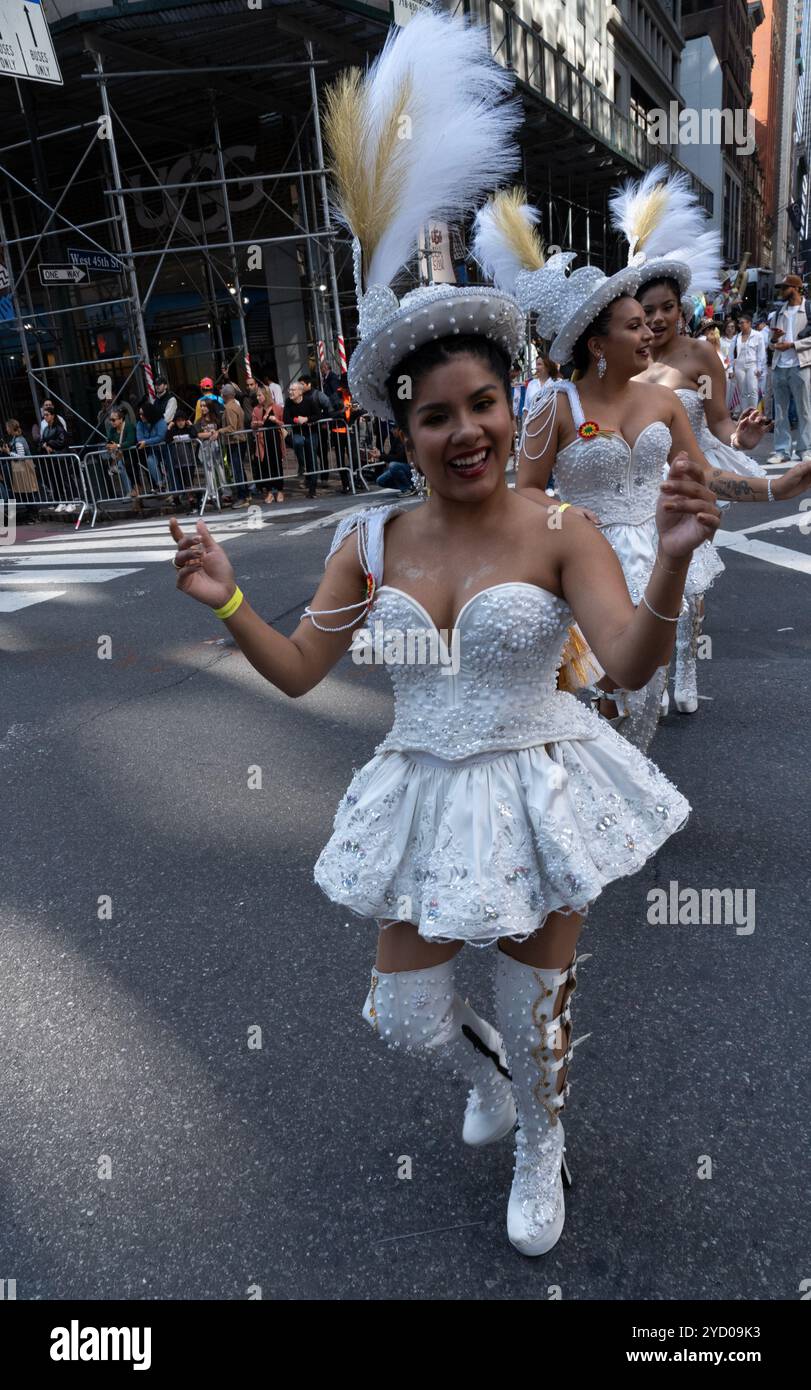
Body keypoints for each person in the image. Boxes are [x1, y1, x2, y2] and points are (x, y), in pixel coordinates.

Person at [168, 8, 723, 1259]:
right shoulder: (367, 541)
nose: (465, 431)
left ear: (502, 402)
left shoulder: (557, 527)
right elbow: (305, 671)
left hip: (537, 775)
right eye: (436, 416)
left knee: (541, 1009)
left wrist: (677, 562)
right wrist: (231, 604)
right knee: (410, 1017)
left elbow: (627, 664)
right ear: (401, 430)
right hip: (422, 785)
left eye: (483, 404)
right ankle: (486, 1086)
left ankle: (543, 1135)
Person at [475, 173, 811, 749]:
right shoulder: (555, 407)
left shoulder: (661, 401)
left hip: (657, 561)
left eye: (650, 321)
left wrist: (779, 489)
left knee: (641, 702)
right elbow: (524, 490)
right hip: (585, 565)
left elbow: (703, 477)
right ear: (597, 345)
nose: (649, 334)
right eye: (634, 326)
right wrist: (564, 516)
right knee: (594, 705)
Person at [766, 274, 811, 463]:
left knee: (804, 410)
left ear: (795, 288)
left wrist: (792, 345)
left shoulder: (808, 309)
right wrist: (775, 340)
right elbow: (770, 344)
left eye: (785, 288)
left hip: (800, 365)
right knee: (780, 411)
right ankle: (782, 451)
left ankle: (805, 449)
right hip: (779, 365)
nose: (781, 292)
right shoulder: (777, 313)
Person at [283, 380, 320, 497]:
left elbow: (318, 415)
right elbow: (286, 418)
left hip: (311, 432)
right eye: (290, 390)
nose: (290, 392)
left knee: (312, 459)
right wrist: (296, 420)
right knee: (297, 442)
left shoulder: (309, 401)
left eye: (293, 390)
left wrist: (306, 419)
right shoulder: (288, 402)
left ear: (300, 392)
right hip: (298, 432)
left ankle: (312, 488)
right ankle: (301, 463)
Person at [251, 386, 285, 503]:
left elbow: (283, 423)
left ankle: (280, 490)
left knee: (277, 464)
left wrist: (276, 420)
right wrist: (257, 424)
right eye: (257, 395)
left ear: (266, 395)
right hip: (262, 441)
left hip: (275, 439)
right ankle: (269, 492)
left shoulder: (277, 407)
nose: (258, 397)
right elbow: (252, 424)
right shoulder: (256, 409)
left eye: (260, 395)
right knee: (265, 465)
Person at [730, 312, 766, 413]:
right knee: (743, 391)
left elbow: (761, 353)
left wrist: (759, 368)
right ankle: (745, 413)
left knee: (753, 389)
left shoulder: (758, 335)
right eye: (739, 323)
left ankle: (754, 413)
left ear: (749, 323)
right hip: (739, 365)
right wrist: (731, 368)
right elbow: (731, 355)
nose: (740, 325)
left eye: (742, 323)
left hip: (752, 364)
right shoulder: (736, 337)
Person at [166, 407, 199, 511]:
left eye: (182, 420)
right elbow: (167, 440)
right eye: (178, 421)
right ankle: (187, 500)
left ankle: (193, 502)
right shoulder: (174, 431)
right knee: (183, 483)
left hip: (189, 461)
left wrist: (191, 425)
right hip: (178, 462)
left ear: (185, 420)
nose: (180, 423)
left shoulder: (188, 429)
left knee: (189, 482)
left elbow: (194, 435)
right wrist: (169, 428)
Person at [135, 401, 169, 492]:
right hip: (154, 451)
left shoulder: (160, 421)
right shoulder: (140, 423)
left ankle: (171, 485)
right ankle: (160, 484)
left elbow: (161, 436)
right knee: (150, 461)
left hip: (165, 450)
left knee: (167, 466)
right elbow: (139, 438)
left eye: (143, 414)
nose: (141, 416)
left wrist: (146, 442)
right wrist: (148, 441)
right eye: (140, 414)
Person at [105, 407, 138, 497]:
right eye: (110, 420)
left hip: (132, 456)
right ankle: (129, 491)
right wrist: (108, 446)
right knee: (122, 468)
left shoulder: (128, 426)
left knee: (133, 473)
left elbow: (130, 441)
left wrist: (117, 446)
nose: (111, 422)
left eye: (113, 420)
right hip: (120, 457)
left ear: (121, 419)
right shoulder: (112, 429)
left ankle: (136, 491)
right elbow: (109, 441)